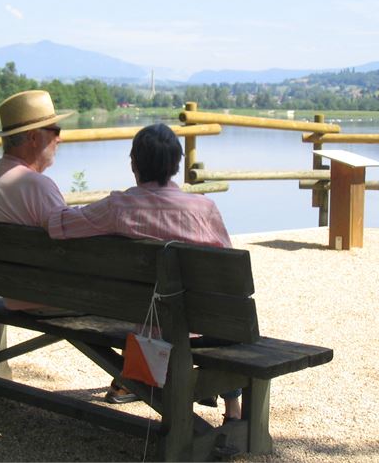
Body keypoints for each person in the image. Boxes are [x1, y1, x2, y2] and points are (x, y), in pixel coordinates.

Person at [46, 123, 241, 423]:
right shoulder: (205, 209)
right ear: (176, 164)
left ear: (134, 164)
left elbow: (60, 226)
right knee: (231, 324)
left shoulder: (118, 207)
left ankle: (132, 380)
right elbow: (229, 277)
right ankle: (234, 411)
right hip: (201, 327)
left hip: (142, 325)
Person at [0, 89, 75, 315]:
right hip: (49, 298)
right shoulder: (37, 186)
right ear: (32, 137)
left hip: (10, 295)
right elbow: (72, 248)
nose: (59, 138)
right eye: (55, 130)